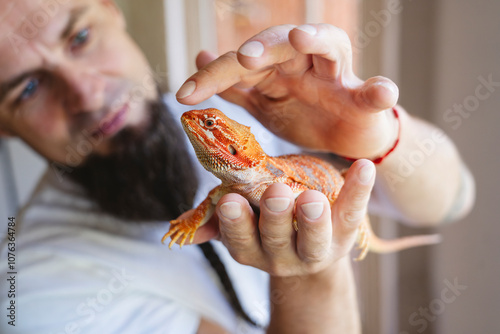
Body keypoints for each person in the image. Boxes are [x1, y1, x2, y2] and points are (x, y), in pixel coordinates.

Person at [0, 0, 475, 333]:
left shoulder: (250, 101)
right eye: (27, 89)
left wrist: (379, 136)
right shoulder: (30, 287)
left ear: (111, 9)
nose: (86, 93)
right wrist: (311, 272)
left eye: (80, 37)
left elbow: (454, 201)